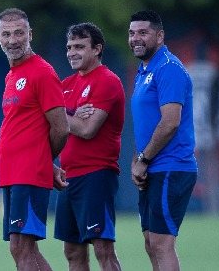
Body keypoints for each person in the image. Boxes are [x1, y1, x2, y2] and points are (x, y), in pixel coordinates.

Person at [0, 8, 69, 271]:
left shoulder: (42, 72)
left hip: (28, 174)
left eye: (18, 33)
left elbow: (61, 128)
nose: (13, 39)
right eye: (6, 34)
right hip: (12, 173)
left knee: (21, 248)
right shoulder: (12, 75)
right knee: (24, 249)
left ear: (30, 34)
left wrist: (42, 161)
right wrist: (46, 164)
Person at [128, 9, 198, 271]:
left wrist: (142, 159)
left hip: (171, 166)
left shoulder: (169, 69)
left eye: (143, 32)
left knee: (161, 243)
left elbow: (170, 122)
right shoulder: (144, 70)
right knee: (150, 242)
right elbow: (146, 123)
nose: (136, 38)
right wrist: (139, 160)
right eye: (132, 33)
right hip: (153, 168)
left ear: (160, 35)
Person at [53, 23, 125, 271]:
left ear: (97, 49)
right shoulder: (65, 84)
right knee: (72, 251)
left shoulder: (107, 81)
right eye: (69, 47)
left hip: (96, 174)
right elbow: (51, 122)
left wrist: (62, 116)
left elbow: (86, 129)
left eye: (79, 47)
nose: (72, 52)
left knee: (103, 250)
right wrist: (69, 113)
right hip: (68, 176)